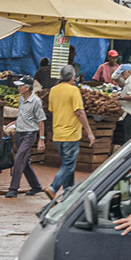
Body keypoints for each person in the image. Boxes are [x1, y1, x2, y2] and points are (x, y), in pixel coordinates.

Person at [46, 66, 94, 199]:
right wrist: (89, 132)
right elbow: (79, 111)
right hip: (71, 134)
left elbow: (51, 109)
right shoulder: (74, 91)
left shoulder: (53, 90)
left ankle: (68, 192)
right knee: (68, 165)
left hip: (58, 134)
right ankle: (53, 187)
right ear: (72, 77)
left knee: (67, 164)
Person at [7, 79, 47, 198]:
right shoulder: (21, 99)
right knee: (25, 161)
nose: (18, 88)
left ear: (27, 88)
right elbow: (22, 116)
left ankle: (13, 188)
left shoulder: (36, 101)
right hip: (19, 133)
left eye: (20, 86)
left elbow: (41, 121)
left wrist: (41, 139)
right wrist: (14, 123)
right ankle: (36, 186)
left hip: (29, 134)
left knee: (19, 158)